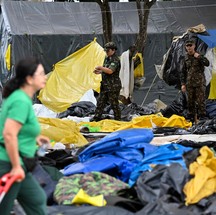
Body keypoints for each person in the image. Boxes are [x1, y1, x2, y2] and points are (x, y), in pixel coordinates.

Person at [0, 57, 49, 215]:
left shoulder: (22, 98)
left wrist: (35, 138)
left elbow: (18, 128)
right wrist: (15, 167)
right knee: (4, 209)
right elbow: (8, 134)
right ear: (29, 79)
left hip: (20, 164)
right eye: (41, 74)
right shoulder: (20, 101)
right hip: (9, 164)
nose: (45, 77)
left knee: (37, 199)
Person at [180, 39, 210, 122]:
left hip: (199, 83)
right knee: (190, 102)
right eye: (187, 46)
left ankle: (203, 118)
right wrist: (183, 84)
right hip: (189, 84)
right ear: (186, 47)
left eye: (191, 45)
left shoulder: (199, 55)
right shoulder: (185, 58)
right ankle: (192, 119)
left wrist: (199, 57)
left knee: (201, 101)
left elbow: (207, 63)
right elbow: (182, 72)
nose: (189, 48)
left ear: (194, 46)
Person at [91, 42, 121, 121]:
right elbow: (106, 69)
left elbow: (110, 71)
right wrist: (100, 71)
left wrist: (100, 67)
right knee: (100, 102)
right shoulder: (107, 58)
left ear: (113, 50)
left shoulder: (115, 60)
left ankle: (118, 119)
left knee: (114, 104)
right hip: (105, 86)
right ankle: (96, 118)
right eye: (106, 51)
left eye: (108, 51)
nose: (106, 52)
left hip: (113, 86)